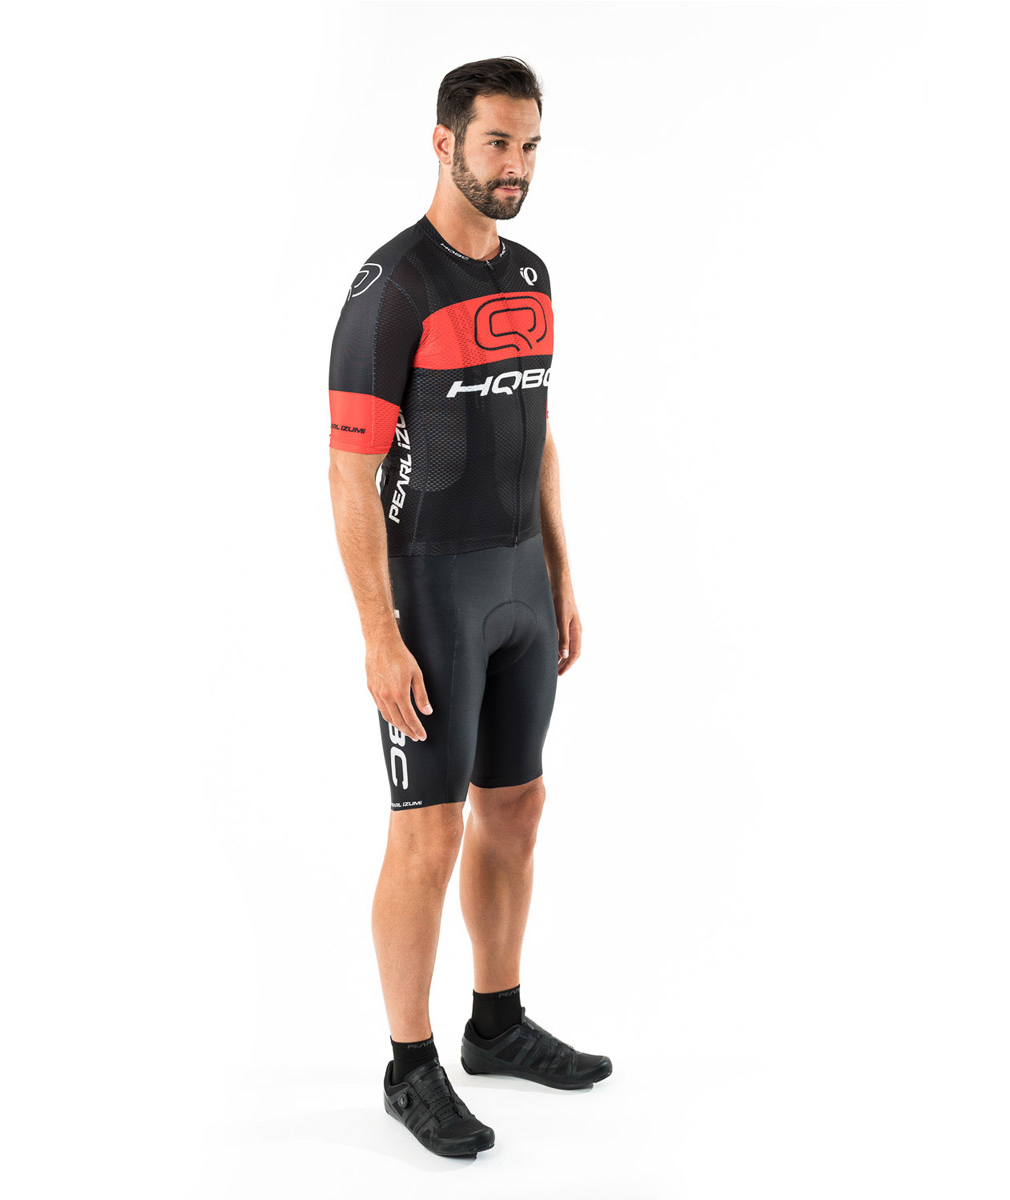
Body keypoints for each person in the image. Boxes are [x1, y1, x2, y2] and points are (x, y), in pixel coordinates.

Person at [327, 56, 611, 1159]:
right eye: (497, 143)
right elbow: (350, 472)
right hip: (434, 595)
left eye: (530, 145)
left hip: (521, 586)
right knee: (428, 831)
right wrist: (377, 630)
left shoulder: (531, 275)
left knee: (518, 806)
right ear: (444, 141)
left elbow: (538, 430)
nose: (516, 166)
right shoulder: (393, 285)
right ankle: (410, 1065)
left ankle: (496, 1023)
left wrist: (563, 573)